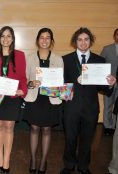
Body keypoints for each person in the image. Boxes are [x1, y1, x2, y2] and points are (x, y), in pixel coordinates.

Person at [60, 27, 116, 174]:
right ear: (75, 42)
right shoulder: (65, 60)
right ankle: (69, 165)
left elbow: (103, 88)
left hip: (91, 108)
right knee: (70, 139)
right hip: (71, 107)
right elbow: (62, 84)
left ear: (90, 41)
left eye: (86, 39)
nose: (83, 42)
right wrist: (69, 89)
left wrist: (110, 85)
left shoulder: (99, 60)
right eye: (80, 39)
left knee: (87, 140)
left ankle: (84, 166)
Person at [0, 26, 27, 174]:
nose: (6, 39)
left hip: (13, 96)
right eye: (3, 36)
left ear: (13, 38)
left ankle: (7, 160)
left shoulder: (20, 55)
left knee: (9, 127)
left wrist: (23, 90)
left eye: (9, 36)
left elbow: (22, 77)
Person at [23, 28, 63, 174]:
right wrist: (30, 83)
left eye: (48, 38)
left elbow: (61, 82)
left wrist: (57, 85)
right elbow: (25, 80)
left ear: (51, 41)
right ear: (37, 40)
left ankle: (43, 161)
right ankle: (33, 159)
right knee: (34, 128)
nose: (44, 40)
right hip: (35, 98)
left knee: (47, 130)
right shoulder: (30, 57)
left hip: (50, 99)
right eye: (42, 37)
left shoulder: (58, 59)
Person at [101, 28, 118, 136]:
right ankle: (108, 127)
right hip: (109, 83)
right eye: (117, 34)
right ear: (114, 36)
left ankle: (115, 126)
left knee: (117, 107)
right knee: (107, 106)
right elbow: (100, 64)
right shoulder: (107, 49)